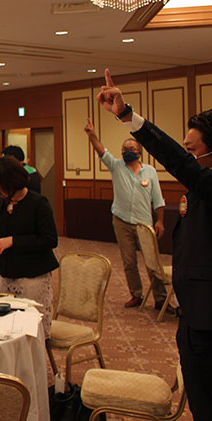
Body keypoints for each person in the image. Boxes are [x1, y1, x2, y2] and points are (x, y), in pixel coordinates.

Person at [97, 68, 212, 419]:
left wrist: (127, 116)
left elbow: (176, 160)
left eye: (193, 150)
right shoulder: (200, 188)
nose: (188, 156)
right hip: (193, 317)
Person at [84, 117, 168, 310]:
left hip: (144, 224)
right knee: (129, 262)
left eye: (131, 149)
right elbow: (101, 151)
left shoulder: (150, 172)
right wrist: (92, 135)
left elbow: (158, 200)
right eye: (124, 149)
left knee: (152, 262)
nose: (127, 151)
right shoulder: (116, 166)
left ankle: (161, 298)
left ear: (139, 153)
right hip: (121, 221)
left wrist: (160, 222)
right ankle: (136, 295)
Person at [0, 155, 58, 338]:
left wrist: (14, 241)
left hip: (32, 276)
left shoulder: (38, 203)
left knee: (32, 330)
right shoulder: (1, 202)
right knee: (7, 328)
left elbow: (50, 240)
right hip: (7, 273)